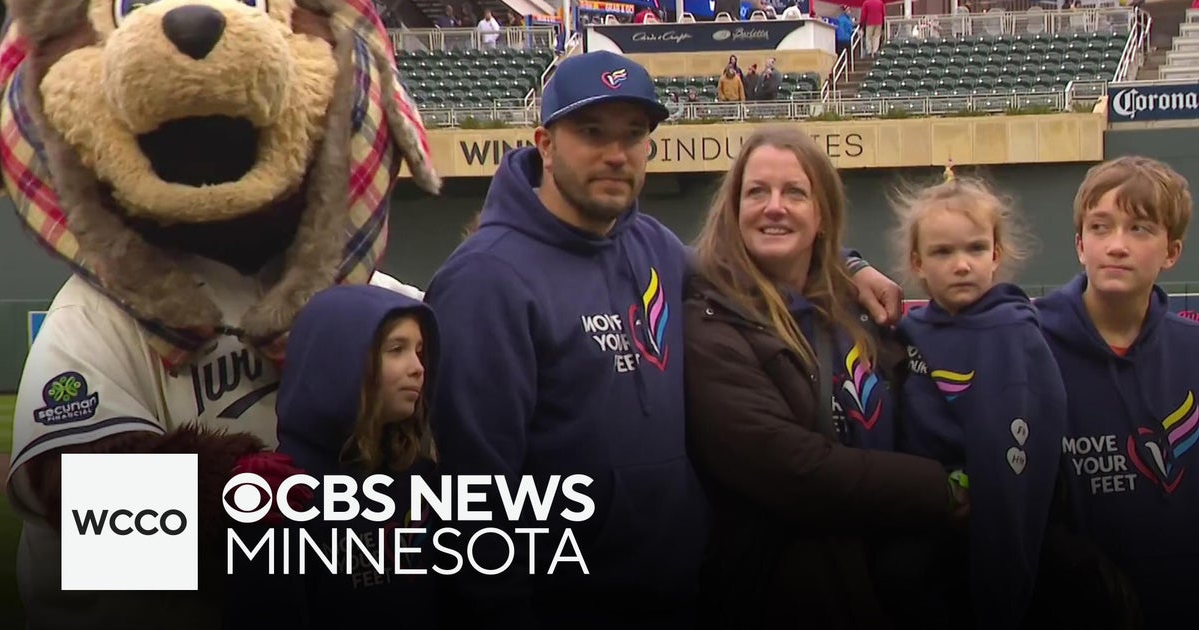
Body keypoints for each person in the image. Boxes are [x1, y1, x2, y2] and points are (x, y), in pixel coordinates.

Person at [425, 52, 907, 628]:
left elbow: (749, 268)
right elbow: (472, 494)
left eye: (634, 135)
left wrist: (848, 267)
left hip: (683, 592)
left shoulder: (649, 243)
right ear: (545, 144)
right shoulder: (485, 280)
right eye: (591, 132)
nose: (616, 153)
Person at [682, 124, 967, 628]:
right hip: (785, 595)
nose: (775, 206)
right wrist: (943, 490)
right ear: (733, 209)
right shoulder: (708, 322)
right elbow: (793, 469)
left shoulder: (860, 313)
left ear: (821, 215)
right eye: (757, 192)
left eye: (795, 192)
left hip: (892, 588)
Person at [890, 169, 1066, 629]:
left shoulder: (1014, 334)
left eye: (974, 248)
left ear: (996, 255)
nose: (961, 264)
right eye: (943, 252)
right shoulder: (905, 334)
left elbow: (1022, 459)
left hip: (989, 542)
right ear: (917, 262)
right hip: (920, 542)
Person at [1038, 156, 1198, 630]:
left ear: (1172, 252)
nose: (1117, 246)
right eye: (1101, 227)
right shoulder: (1029, 347)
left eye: (1140, 229)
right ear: (1080, 244)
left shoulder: (1192, 350)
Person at [223, 284, 442, 628]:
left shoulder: (426, 481)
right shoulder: (278, 495)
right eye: (396, 349)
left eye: (420, 351)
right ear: (339, 361)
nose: (418, 367)